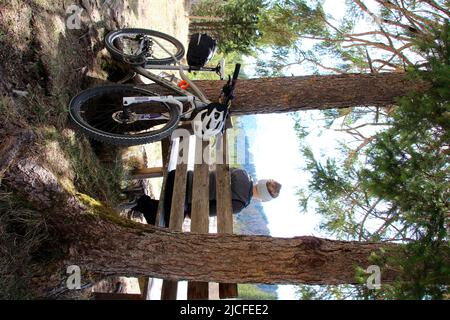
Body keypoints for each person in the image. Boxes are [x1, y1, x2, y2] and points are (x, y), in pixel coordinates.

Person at [131, 168, 282, 226]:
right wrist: (187, 214)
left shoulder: (242, 173)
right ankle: (141, 201)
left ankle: (139, 201)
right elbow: (203, 211)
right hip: (178, 195)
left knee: (175, 207)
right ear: (263, 199)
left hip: (177, 176)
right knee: (167, 226)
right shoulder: (240, 204)